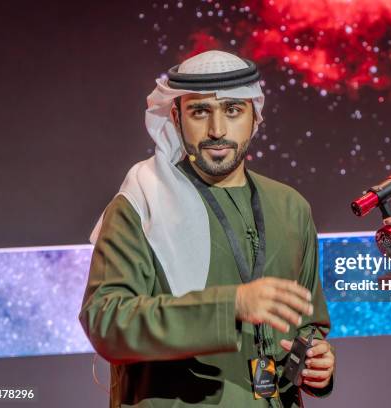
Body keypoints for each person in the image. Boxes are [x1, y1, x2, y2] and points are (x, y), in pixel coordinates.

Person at [79, 50, 334, 408]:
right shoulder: (141, 202)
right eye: (200, 111)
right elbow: (107, 321)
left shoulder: (291, 207)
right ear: (175, 116)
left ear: (254, 116)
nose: (217, 130)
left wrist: (317, 363)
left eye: (233, 110)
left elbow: (308, 324)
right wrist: (231, 305)